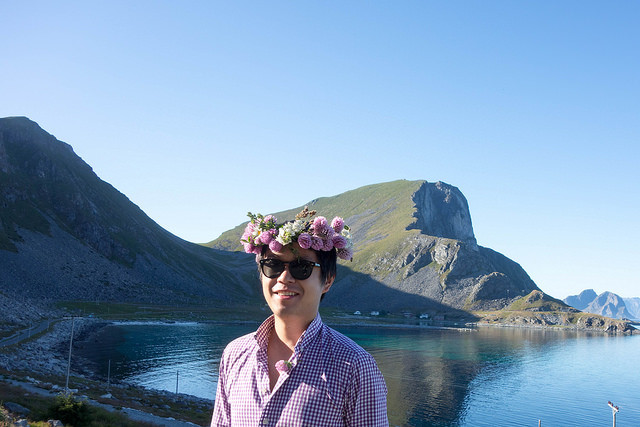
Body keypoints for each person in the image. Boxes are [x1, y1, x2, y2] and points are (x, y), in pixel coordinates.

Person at [211, 208, 388, 426]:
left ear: (328, 280)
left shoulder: (355, 366)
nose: (284, 278)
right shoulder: (235, 354)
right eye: (273, 266)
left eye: (301, 268)